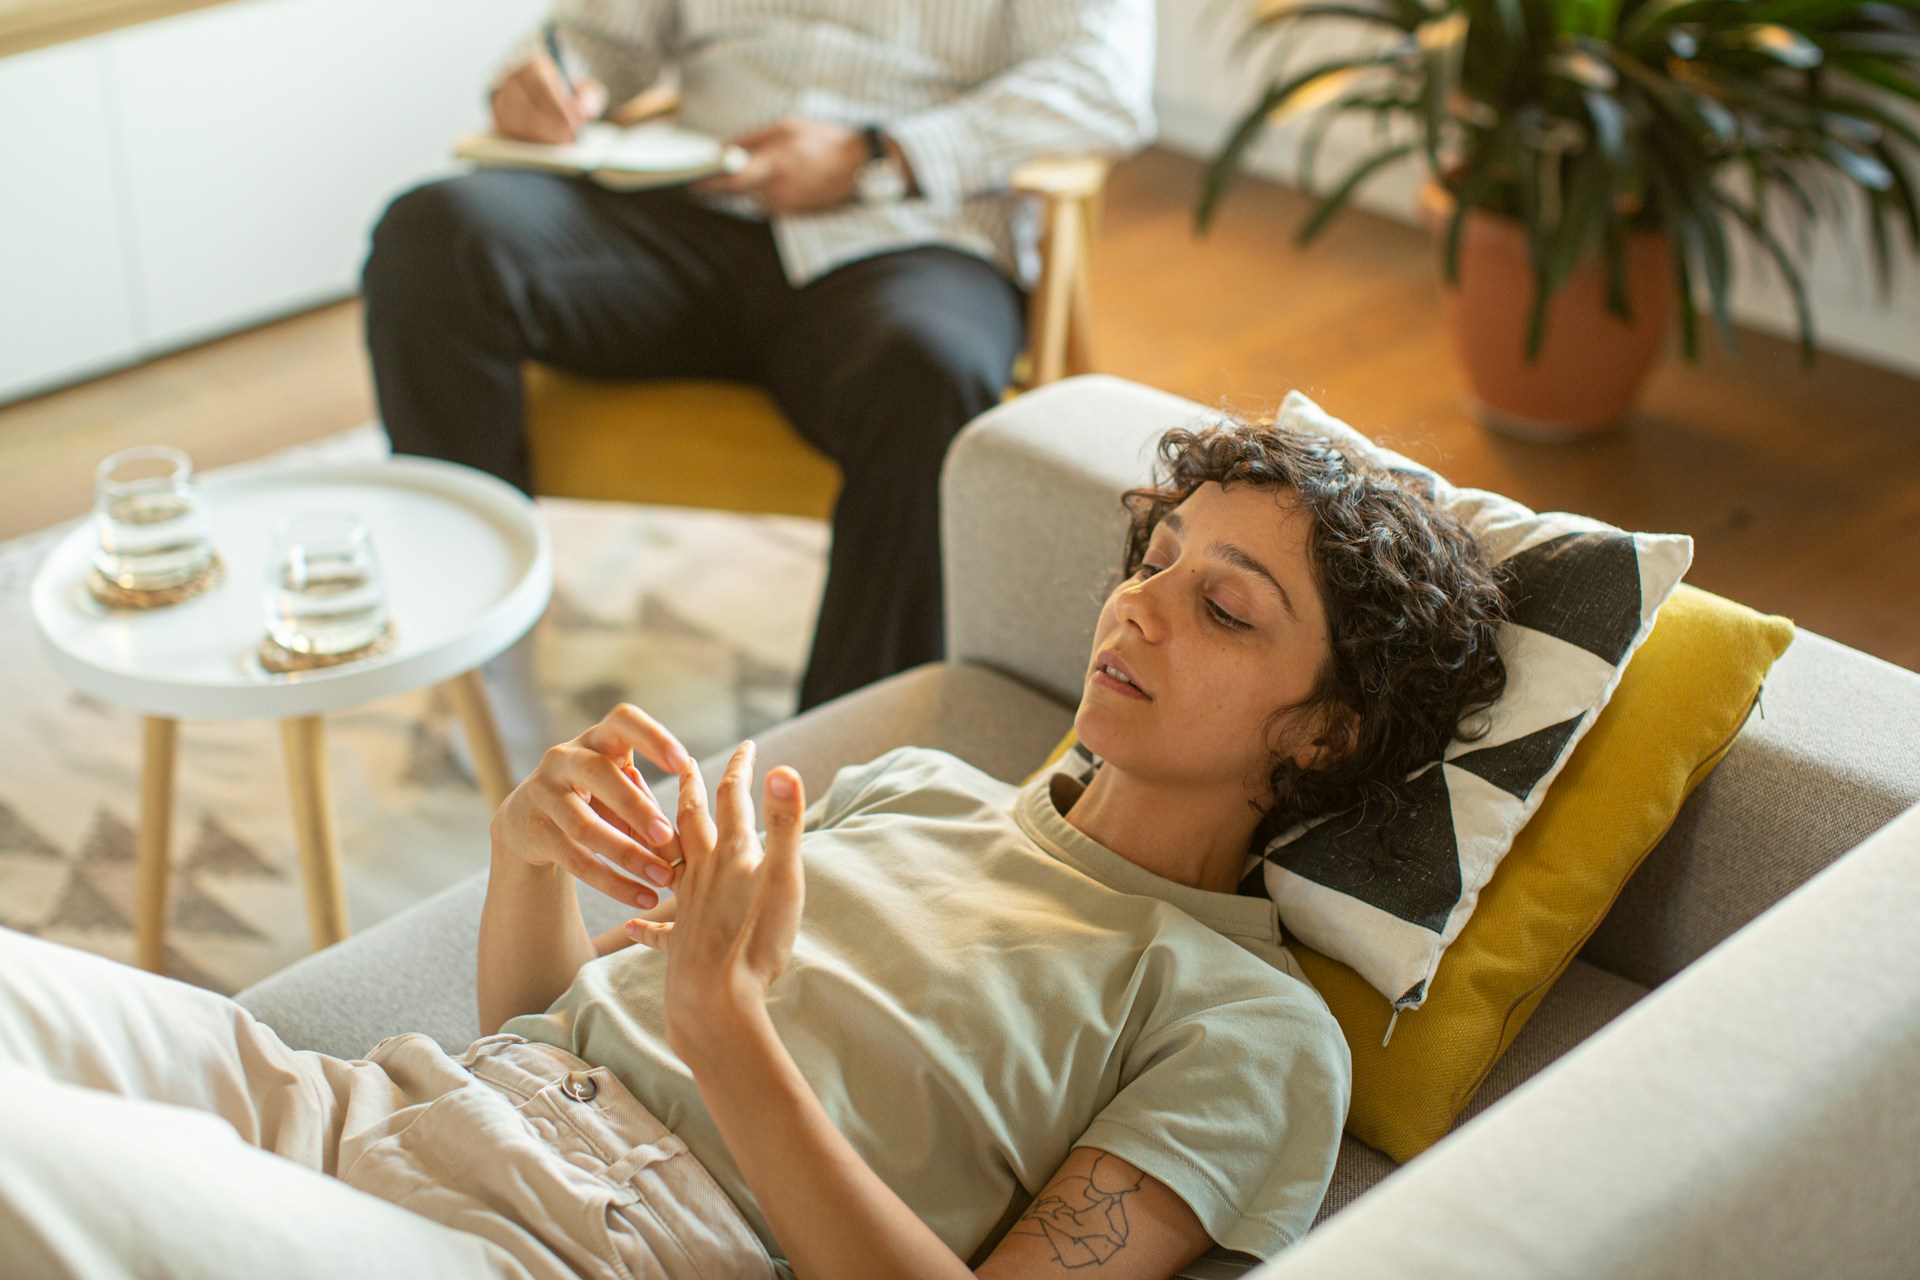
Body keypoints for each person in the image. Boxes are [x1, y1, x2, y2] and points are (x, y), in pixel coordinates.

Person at [0, 418, 1508, 1279]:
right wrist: (531, 859)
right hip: (351, 1110)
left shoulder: (1249, 1026)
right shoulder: (913, 789)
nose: (1140, 605)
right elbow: (542, 1025)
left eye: (1226, 607)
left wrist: (727, 1027)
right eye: (1158, 559)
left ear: (1324, 734)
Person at [361, 0, 1157, 718]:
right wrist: (549, 77)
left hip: (907, 232)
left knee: (931, 371)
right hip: (693, 210)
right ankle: (484, 659)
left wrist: (875, 153)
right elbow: (600, 35)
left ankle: (847, 741)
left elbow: (1102, 83)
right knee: (431, 237)